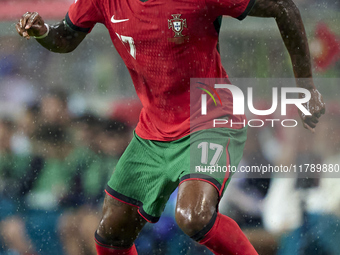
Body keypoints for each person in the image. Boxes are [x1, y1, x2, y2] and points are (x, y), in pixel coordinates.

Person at [16, 0, 326, 254]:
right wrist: (44, 32)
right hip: (152, 134)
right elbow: (65, 39)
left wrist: (307, 88)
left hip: (210, 118)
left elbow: (284, 7)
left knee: (195, 217)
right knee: (110, 234)